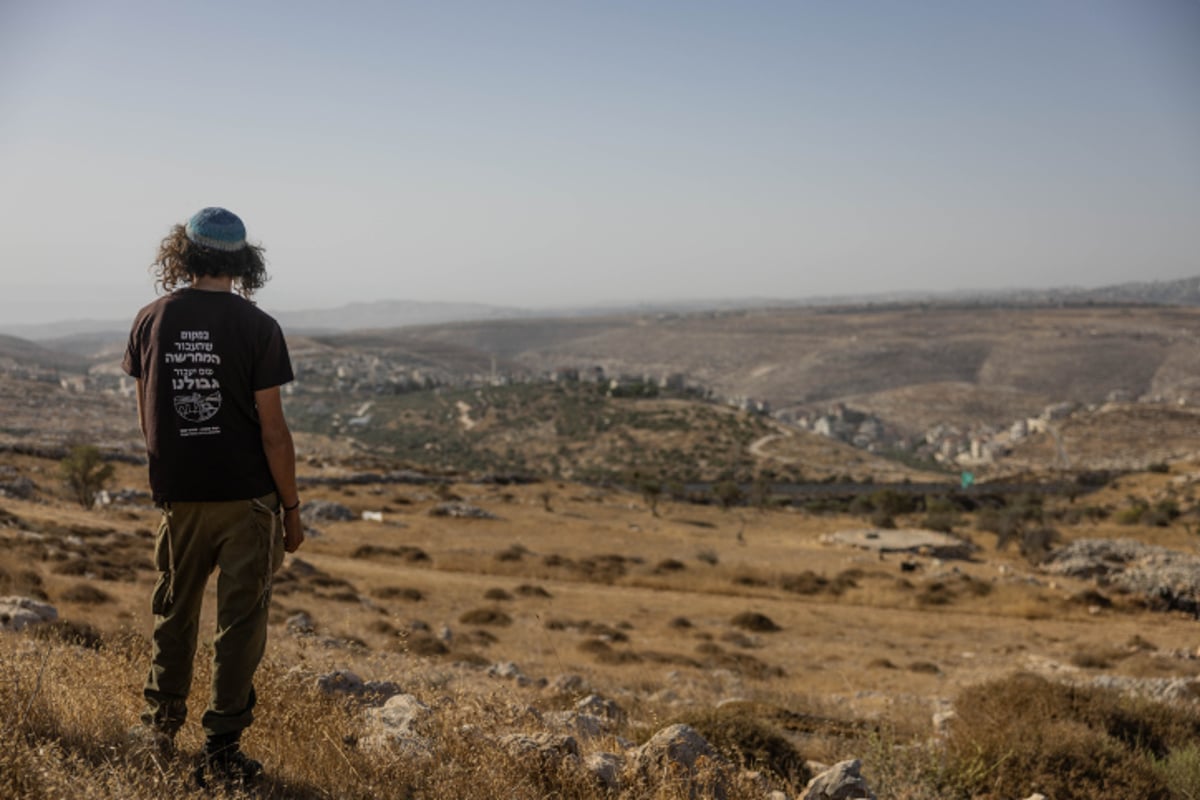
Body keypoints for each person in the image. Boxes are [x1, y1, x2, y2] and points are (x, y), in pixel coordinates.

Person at [122, 207, 304, 785]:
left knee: (173, 611)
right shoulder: (258, 327)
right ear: (244, 261)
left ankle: (158, 727)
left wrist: (173, 474)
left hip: (180, 495)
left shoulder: (152, 318)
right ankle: (221, 749)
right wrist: (292, 509)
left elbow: (146, 415)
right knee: (240, 622)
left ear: (185, 254)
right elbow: (273, 431)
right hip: (248, 497)